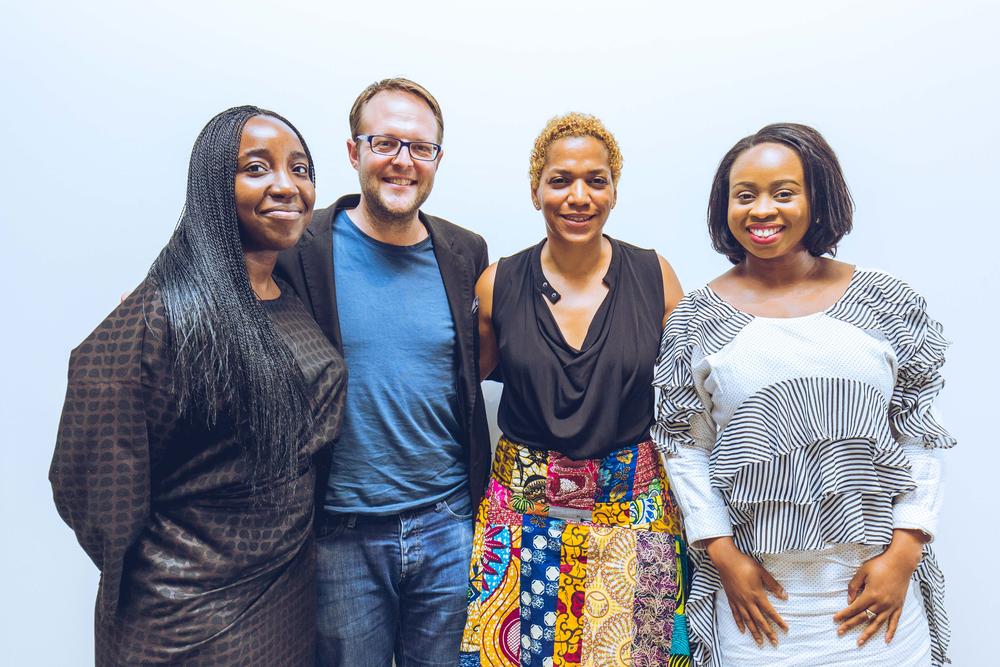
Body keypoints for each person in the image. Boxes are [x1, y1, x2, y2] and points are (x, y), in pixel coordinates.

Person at [49, 106, 346, 665]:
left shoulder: (288, 296)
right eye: (257, 168)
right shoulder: (162, 314)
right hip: (181, 621)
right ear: (213, 185)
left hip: (283, 601)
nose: (287, 185)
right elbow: (87, 482)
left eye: (301, 169)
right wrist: (174, 562)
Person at [653, 123, 952, 666]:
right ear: (725, 207)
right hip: (758, 601)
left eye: (783, 192)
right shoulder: (696, 318)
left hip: (877, 597)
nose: (762, 210)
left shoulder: (887, 301)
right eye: (744, 196)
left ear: (819, 197)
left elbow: (919, 434)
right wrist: (724, 559)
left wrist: (904, 555)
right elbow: (683, 446)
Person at [459, 113, 691, 667]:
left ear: (614, 188)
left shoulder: (655, 276)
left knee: (638, 657)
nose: (579, 196)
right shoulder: (497, 284)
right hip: (522, 513)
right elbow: (462, 390)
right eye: (560, 180)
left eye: (596, 179)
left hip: (635, 512)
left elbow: (689, 405)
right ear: (536, 188)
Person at [274, 78, 490, 666]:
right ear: (353, 152)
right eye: (386, 142)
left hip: (449, 523)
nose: (403, 161)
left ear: (437, 160)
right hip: (340, 531)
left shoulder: (466, 251)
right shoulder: (300, 245)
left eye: (420, 148)